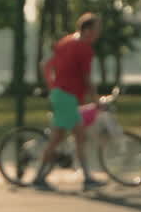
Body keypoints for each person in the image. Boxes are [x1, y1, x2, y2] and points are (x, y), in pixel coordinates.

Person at [32, 13, 107, 192]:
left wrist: (53, 86)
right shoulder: (84, 48)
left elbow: (45, 64)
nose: (99, 32)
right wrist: (96, 101)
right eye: (97, 29)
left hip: (62, 95)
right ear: (88, 30)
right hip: (67, 97)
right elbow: (87, 79)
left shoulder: (65, 41)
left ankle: (41, 176)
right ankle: (86, 178)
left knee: (61, 138)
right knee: (76, 137)